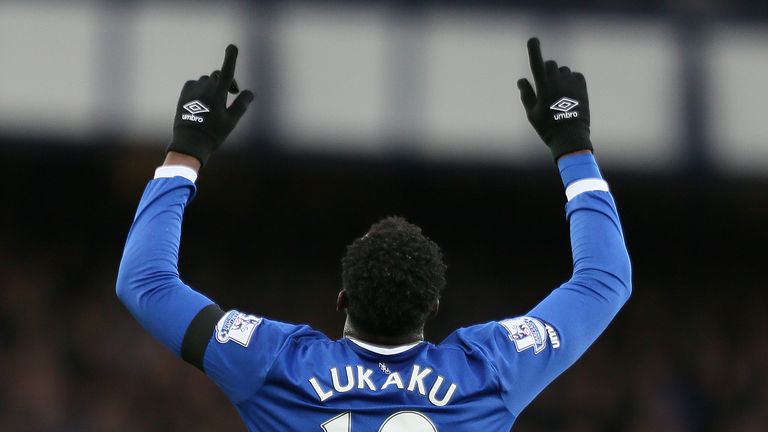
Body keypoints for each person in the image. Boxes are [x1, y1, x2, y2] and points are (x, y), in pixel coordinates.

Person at [117, 38, 631, 431]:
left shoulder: (272, 364)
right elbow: (604, 279)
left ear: (341, 299)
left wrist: (187, 148)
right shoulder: (489, 371)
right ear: (433, 307)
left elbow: (144, 282)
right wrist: (572, 145)